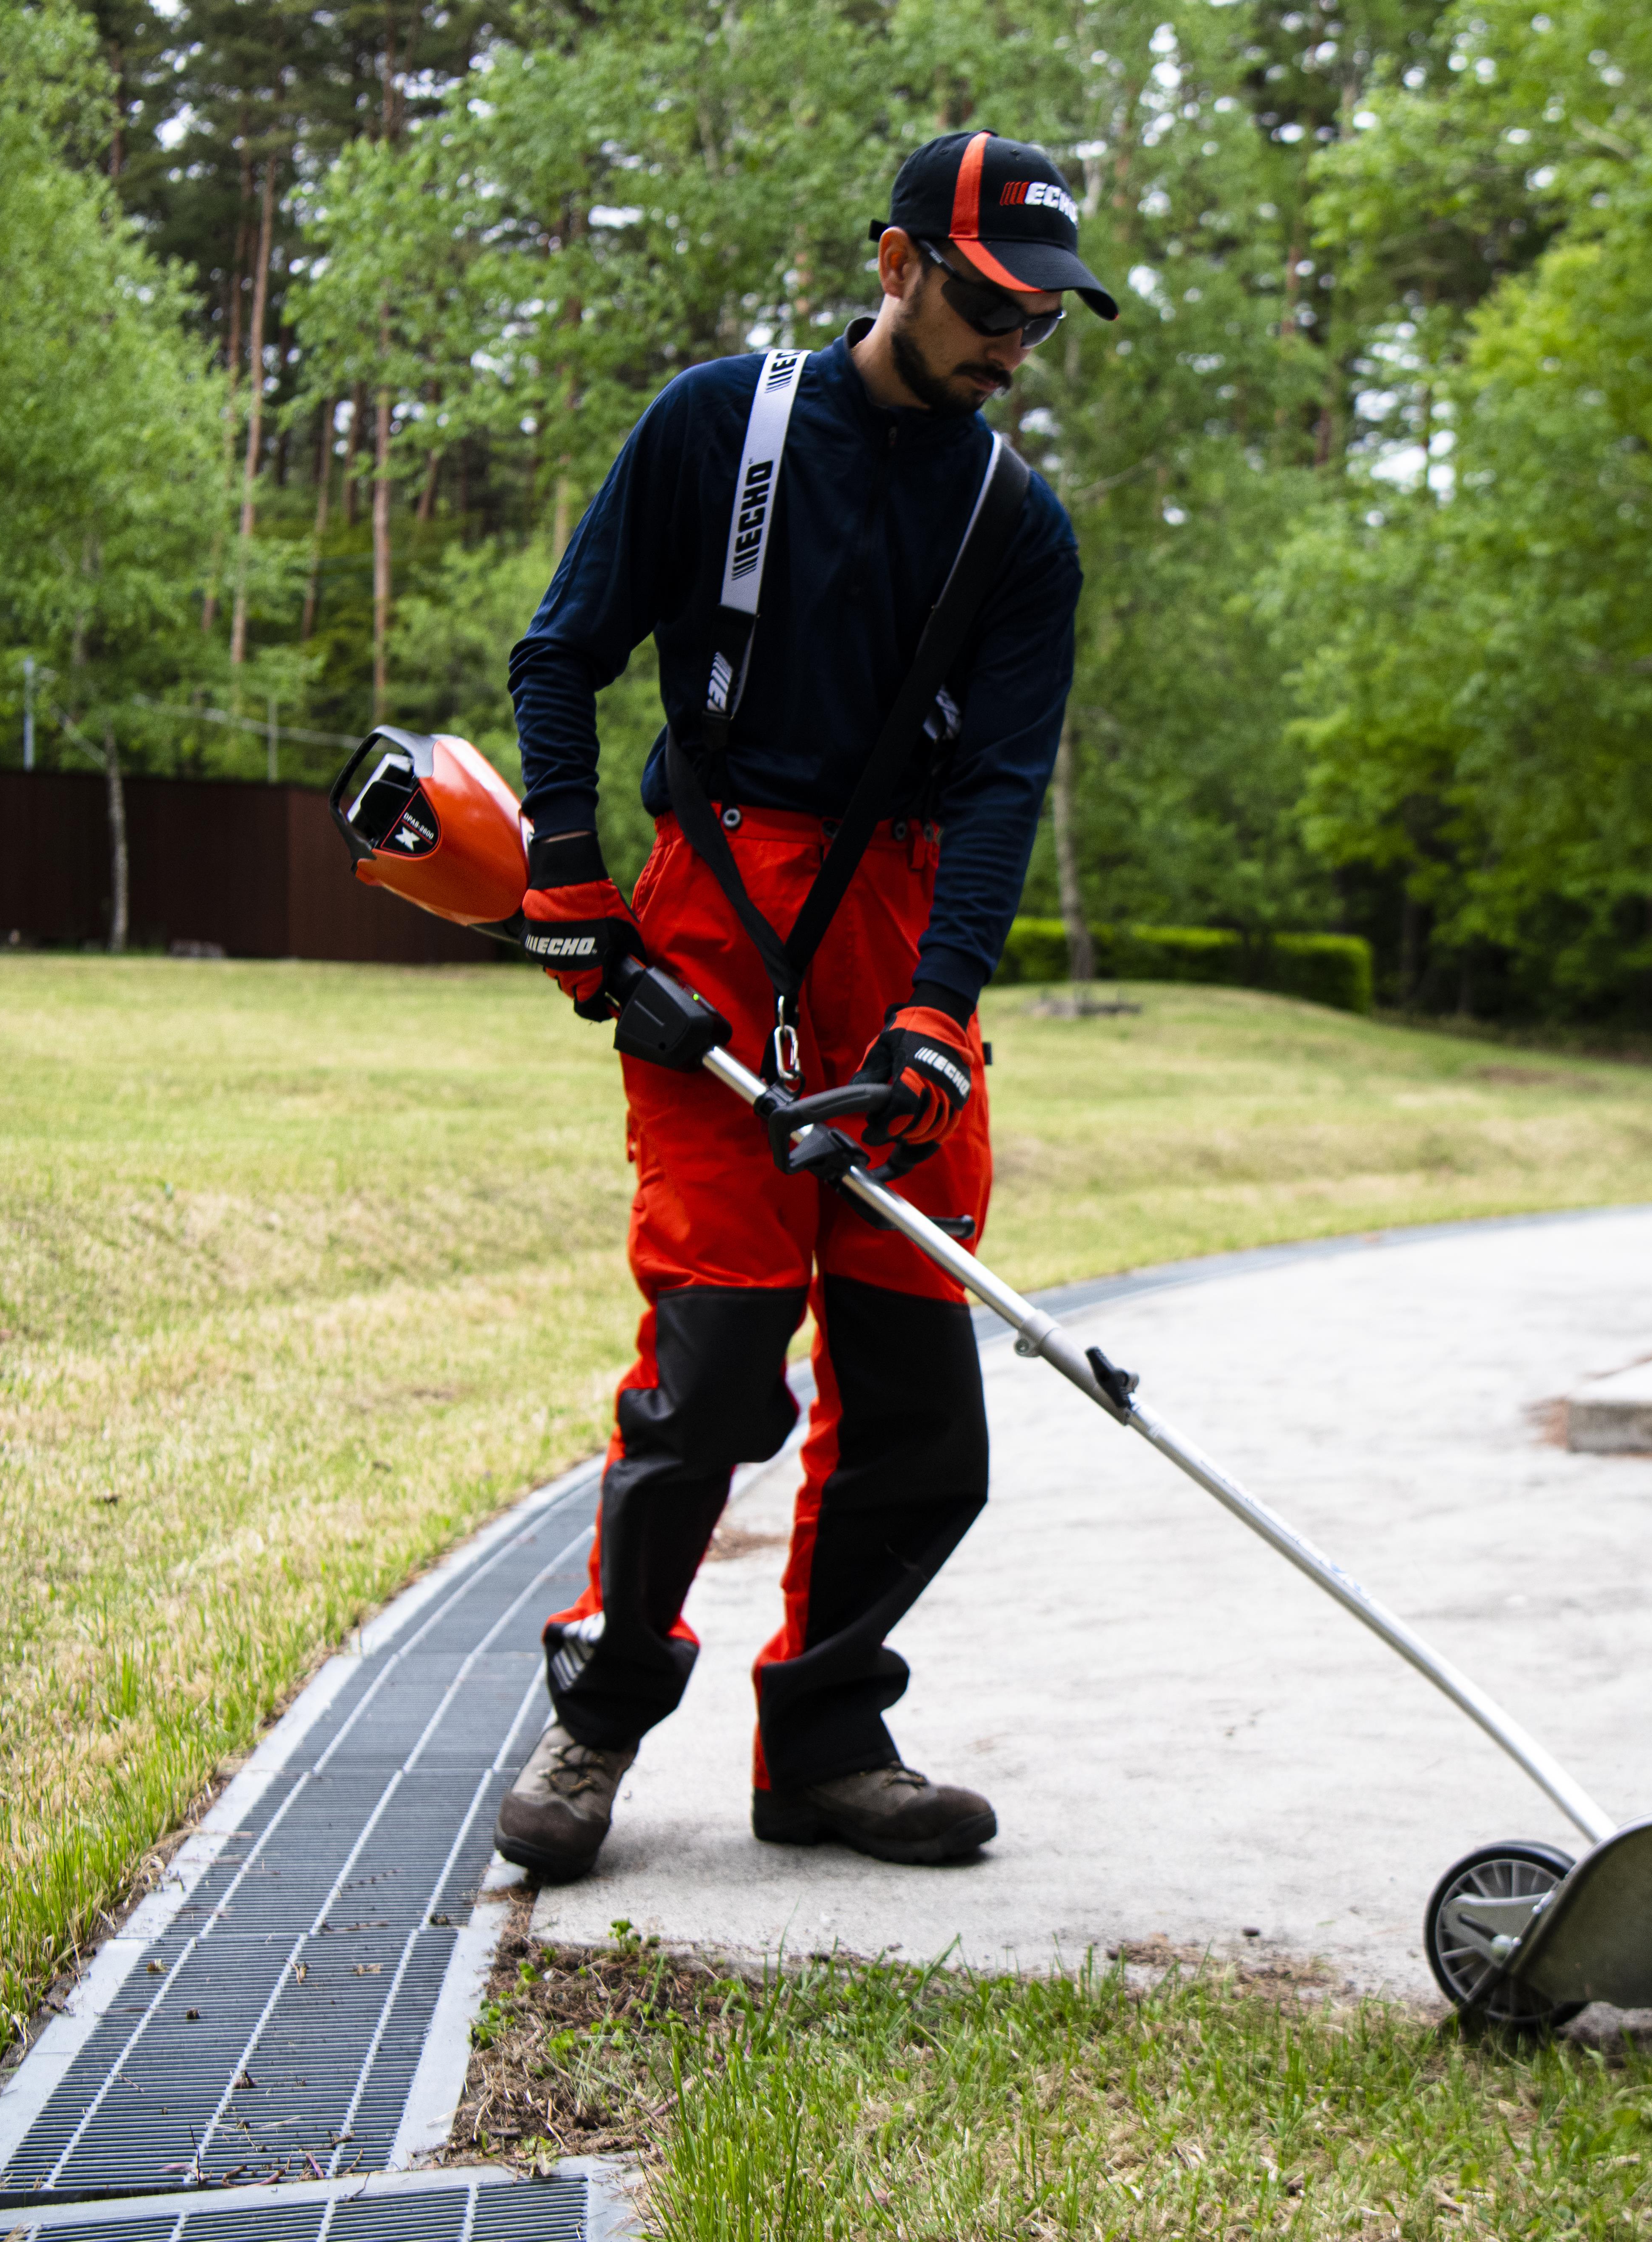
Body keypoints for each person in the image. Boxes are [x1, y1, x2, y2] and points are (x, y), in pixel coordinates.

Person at [493, 130, 1117, 1883]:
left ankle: (827, 1741)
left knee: (923, 1416)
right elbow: (563, 649)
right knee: (708, 1386)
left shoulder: (1018, 525)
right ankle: (600, 1722)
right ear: (895, 261)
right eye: (992, 300)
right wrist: (564, 869)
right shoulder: (720, 424)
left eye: (1044, 318)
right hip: (715, 919)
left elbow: (1001, 783)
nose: (1014, 341)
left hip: (906, 941)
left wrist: (936, 1012)